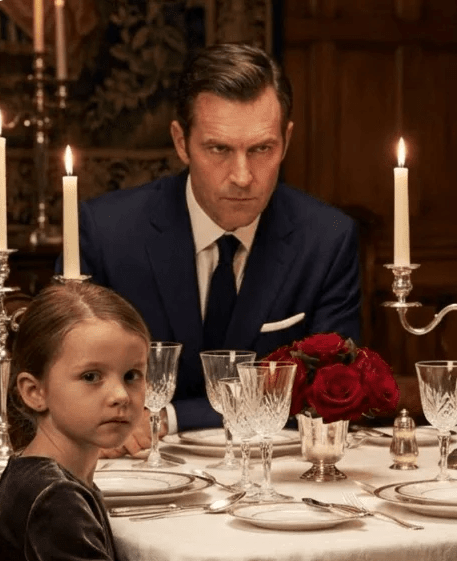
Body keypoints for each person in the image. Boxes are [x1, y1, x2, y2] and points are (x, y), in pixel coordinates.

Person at [61, 43, 362, 446]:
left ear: (286, 141)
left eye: (261, 149)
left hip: (273, 470)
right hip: (137, 466)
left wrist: (172, 416)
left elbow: (330, 394)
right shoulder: (107, 232)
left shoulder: (327, 238)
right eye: (219, 149)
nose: (242, 176)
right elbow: (67, 375)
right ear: (181, 142)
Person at [0, 283, 150, 561]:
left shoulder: (40, 474)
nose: (120, 395)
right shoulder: (55, 497)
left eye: (131, 375)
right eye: (91, 377)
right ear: (35, 392)